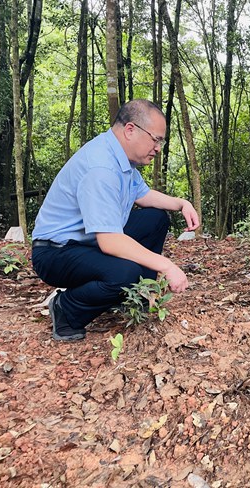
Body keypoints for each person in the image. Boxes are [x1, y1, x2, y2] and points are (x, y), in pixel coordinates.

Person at [32, 99, 199, 341]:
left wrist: (181, 203)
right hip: (56, 252)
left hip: (89, 241)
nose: (158, 148)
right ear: (131, 130)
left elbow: (143, 196)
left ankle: (137, 296)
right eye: (156, 139)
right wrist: (166, 265)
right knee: (126, 273)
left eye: (161, 141)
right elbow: (110, 242)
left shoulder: (122, 160)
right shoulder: (101, 168)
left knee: (155, 219)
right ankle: (67, 309)